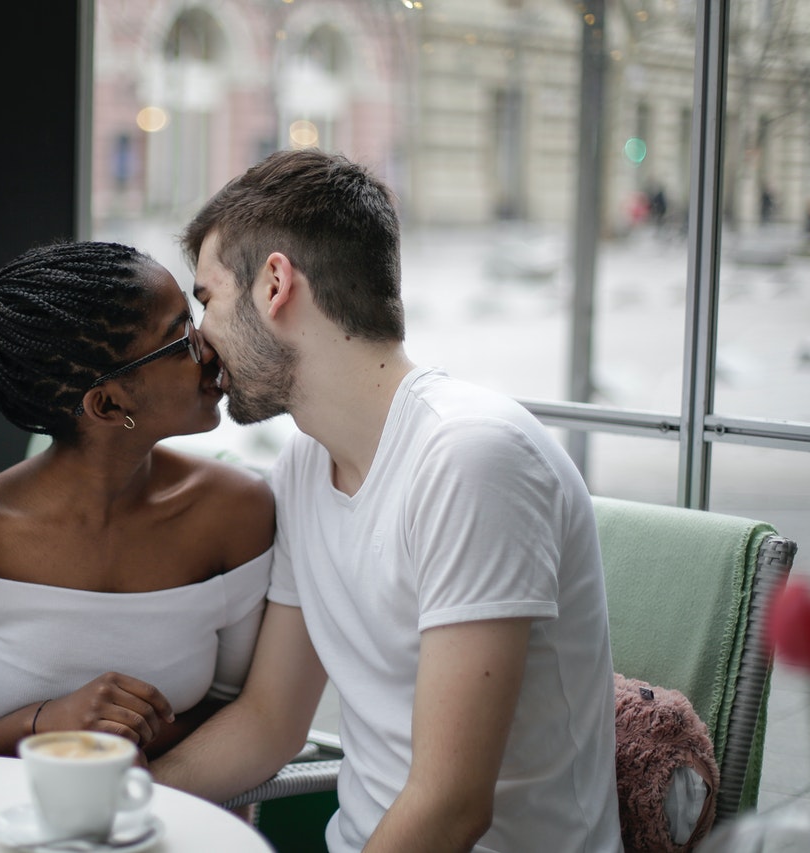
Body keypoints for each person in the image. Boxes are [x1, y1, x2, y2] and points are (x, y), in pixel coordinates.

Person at [151, 150, 623, 852]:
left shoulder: (469, 458)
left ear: (275, 283)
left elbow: (452, 806)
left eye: (207, 299)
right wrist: (116, 799)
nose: (199, 339)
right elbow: (270, 722)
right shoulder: (305, 467)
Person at [0, 241, 274, 761]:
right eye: (181, 339)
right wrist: (46, 723)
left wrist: (115, 757)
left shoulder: (237, 513)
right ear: (108, 404)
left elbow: (235, 709)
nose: (210, 347)